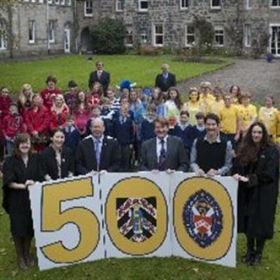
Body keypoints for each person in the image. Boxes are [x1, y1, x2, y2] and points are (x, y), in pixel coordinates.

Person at [232, 122, 279, 266]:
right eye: (253, 132)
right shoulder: (246, 147)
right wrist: (236, 174)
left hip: (264, 192)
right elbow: (239, 165)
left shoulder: (272, 150)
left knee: (261, 222)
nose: (256, 135)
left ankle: (259, 253)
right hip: (247, 191)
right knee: (248, 221)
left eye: (259, 132)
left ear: (264, 134)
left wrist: (250, 179)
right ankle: (250, 251)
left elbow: (270, 173)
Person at [2, 133, 43, 269]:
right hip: (16, 198)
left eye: (27, 142)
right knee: (18, 227)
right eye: (22, 143)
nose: (25, 145)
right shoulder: (10, 160)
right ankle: (20, 255)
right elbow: (8, 182)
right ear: (17, 145)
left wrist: (35, 183)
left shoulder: (36, 158)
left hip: (32, 197)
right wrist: (24, 185)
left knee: (30, 226)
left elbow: (41, 175)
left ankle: (27, 252)